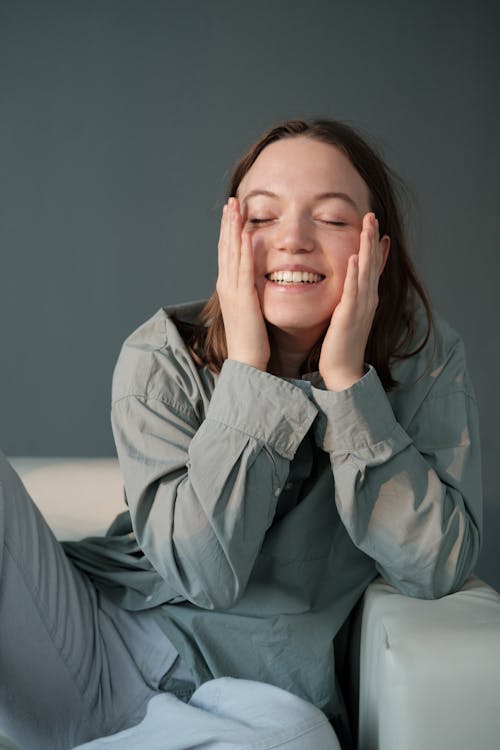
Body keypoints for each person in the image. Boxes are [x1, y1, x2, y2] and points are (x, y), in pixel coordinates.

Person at [0, 119, 482, 750]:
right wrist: (250, 372)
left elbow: (438, 566)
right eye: (261, 218)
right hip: (92, 645)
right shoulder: (161, 357)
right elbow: (204, 575)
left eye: (333, 220)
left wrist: (347, 388)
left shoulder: (426, 358)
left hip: (256, 702)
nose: (293, 241)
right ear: (228, 241)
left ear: (379, 252)